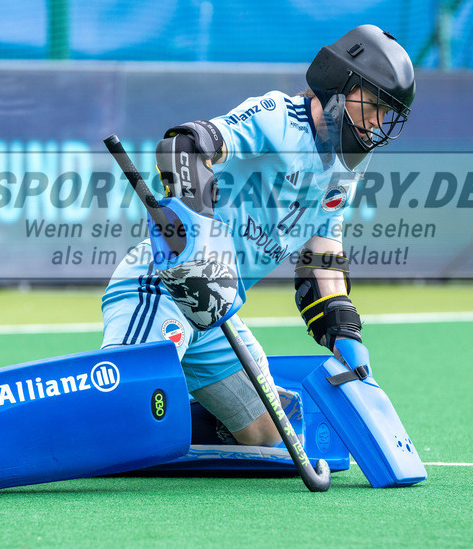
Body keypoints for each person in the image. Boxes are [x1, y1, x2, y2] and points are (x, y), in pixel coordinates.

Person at [99, 24, 416, 448]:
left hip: (217, 315)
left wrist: (344, 329)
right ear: (341, 84)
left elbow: (321, 252)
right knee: (121, 413)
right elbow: (183, 148)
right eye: (373, 105)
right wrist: (199, 233)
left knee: (273, 433)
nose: (377, 123)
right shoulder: (276, 117)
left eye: (386, 113)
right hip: (161, 289)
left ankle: (169, 427)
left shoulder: (347, 169)